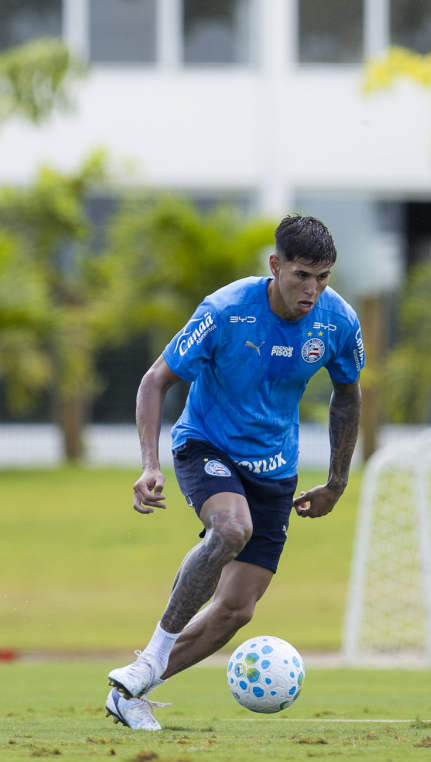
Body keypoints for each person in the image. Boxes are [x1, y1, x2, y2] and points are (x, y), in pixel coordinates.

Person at [105, 215, 364, 730]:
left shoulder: (339, 322)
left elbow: (348, 395)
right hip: (207, 444)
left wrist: (337, 482)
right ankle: (154, 654)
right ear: (275, 266)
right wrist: (150, 465)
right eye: (301, 276)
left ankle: (133, 691)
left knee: (236, 610)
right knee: (231, 529)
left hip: (275, 469)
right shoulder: (225, 311)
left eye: (323, 277)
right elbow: (155, 381)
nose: (312, 290)